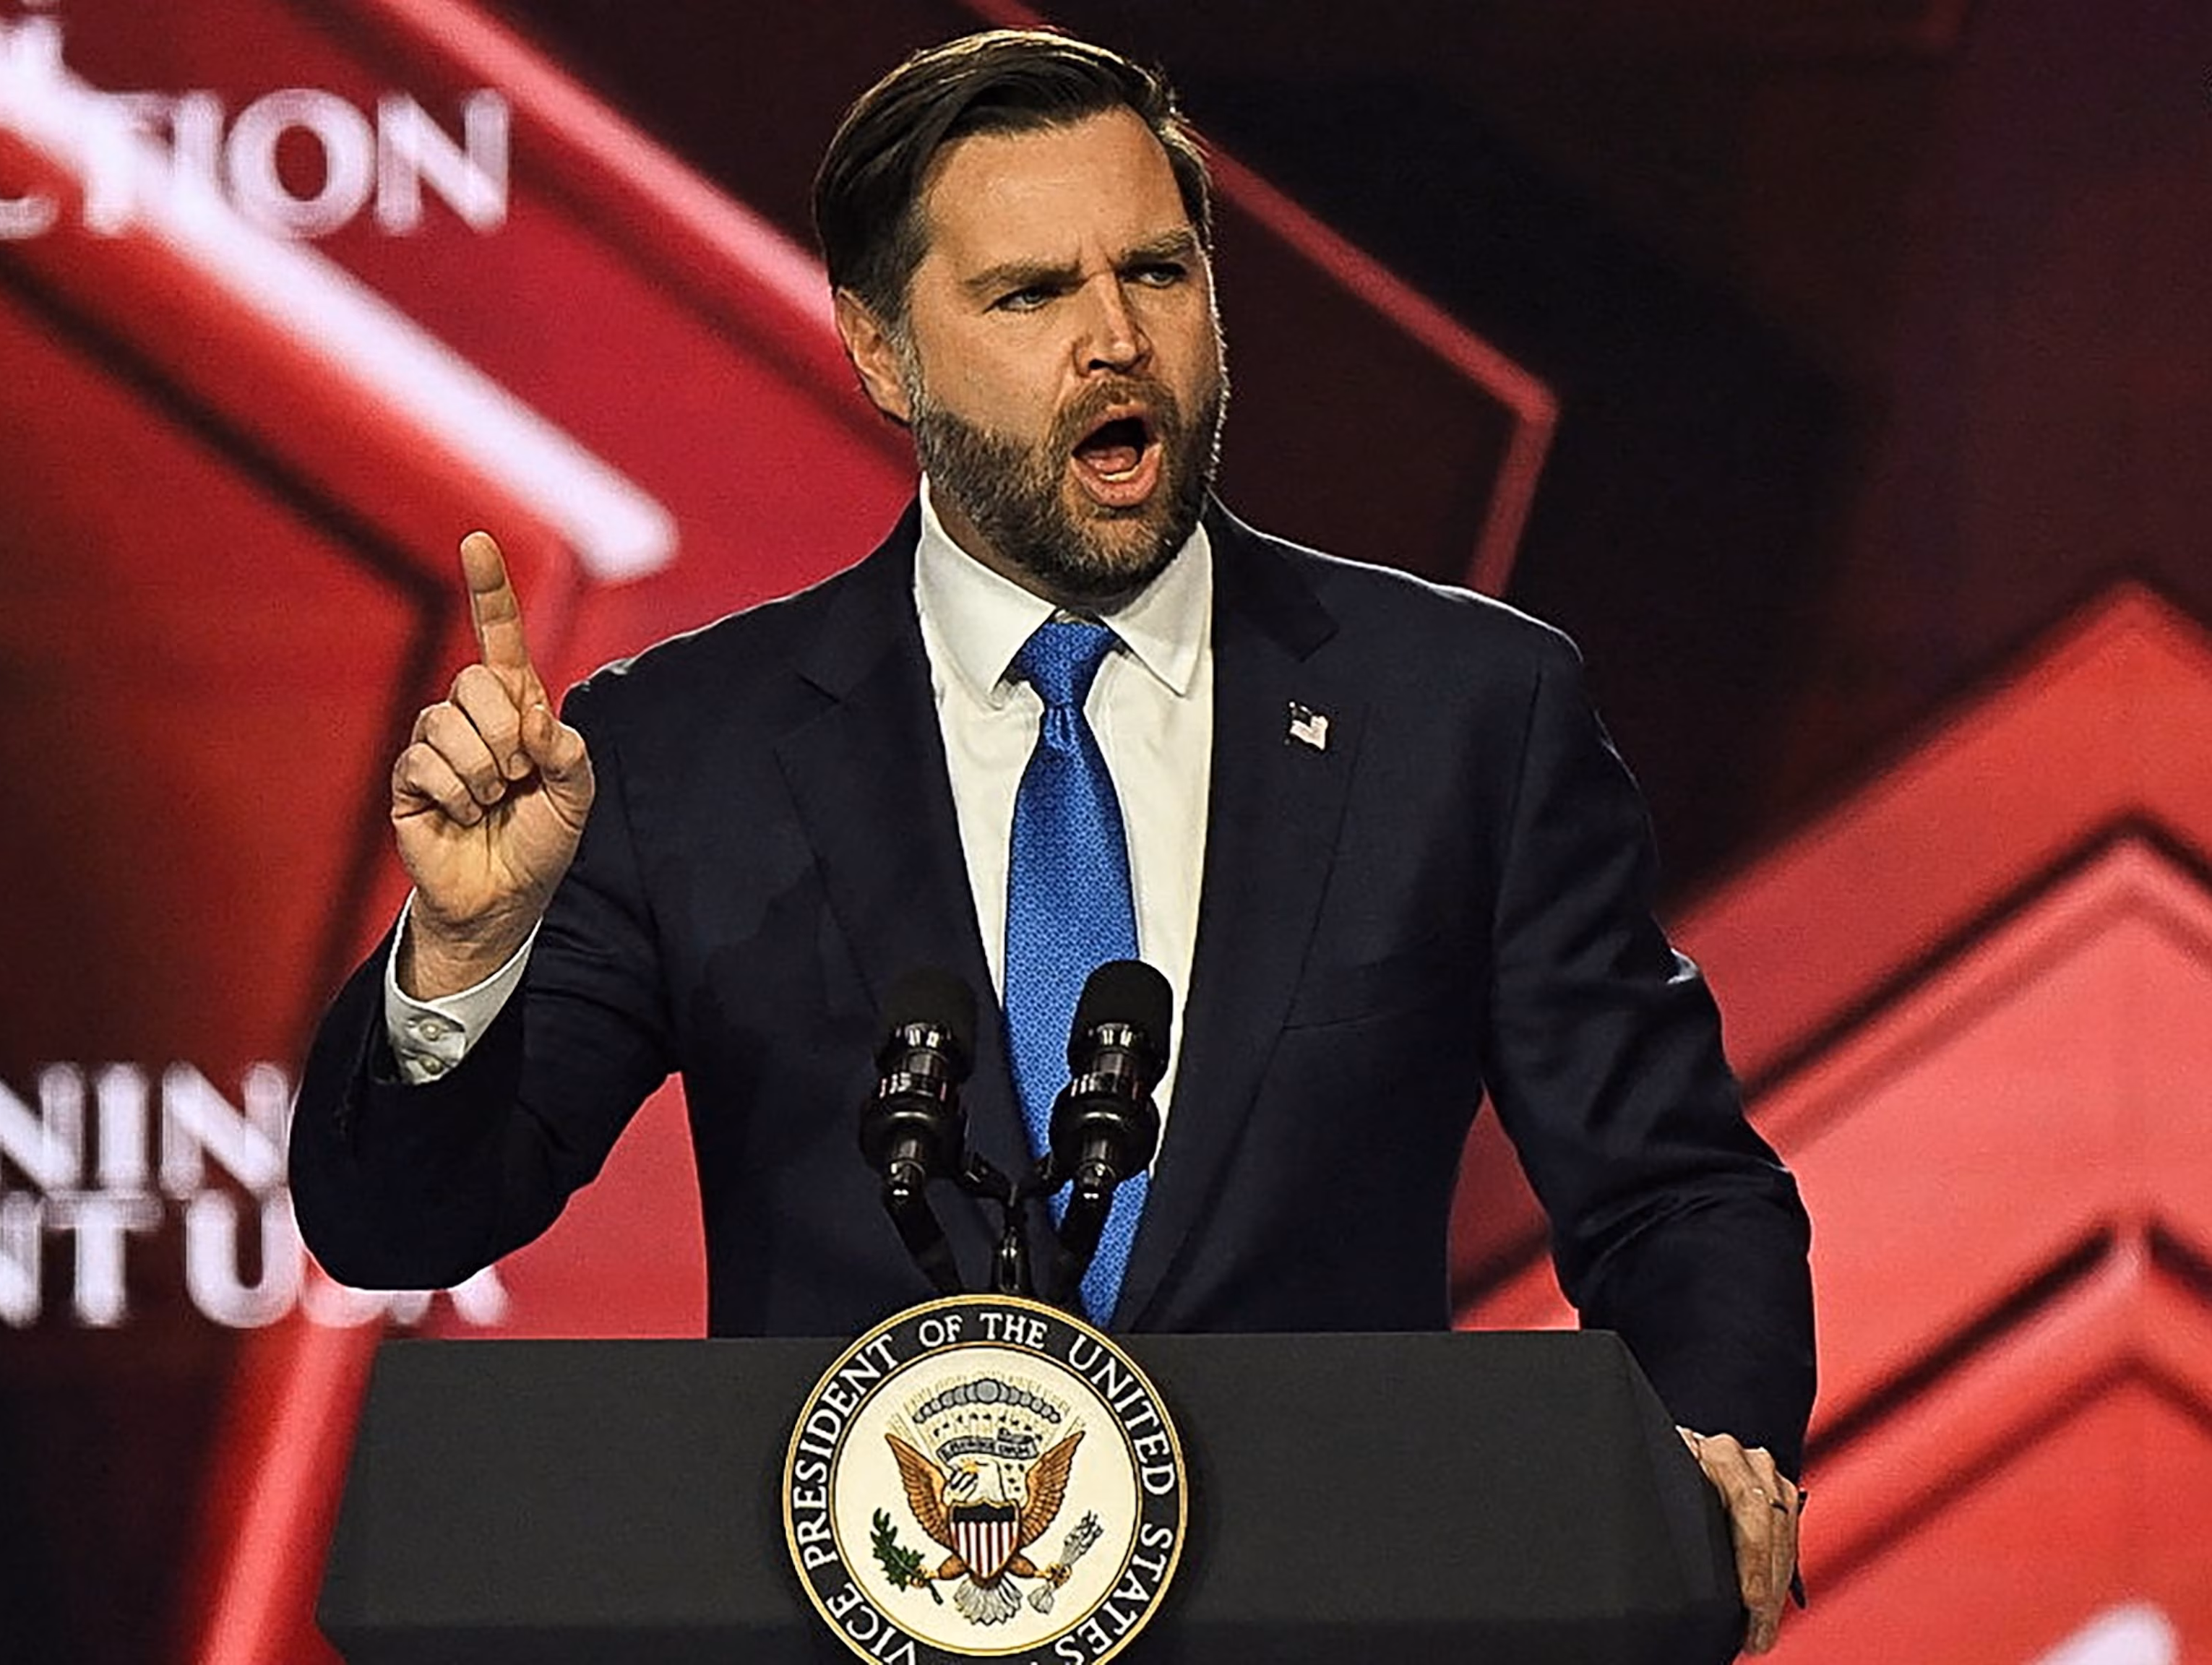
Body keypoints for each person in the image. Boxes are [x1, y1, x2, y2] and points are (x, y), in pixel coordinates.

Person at [289, 29, 1813, 1653]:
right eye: (1028, 295)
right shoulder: (685, 751)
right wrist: (463, 955)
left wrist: (1700, 1456)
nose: (1116, 340)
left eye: (1157, 271)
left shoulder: (1462, 713)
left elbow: (1673, 1190)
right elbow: (399, 1226)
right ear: (883, 353)